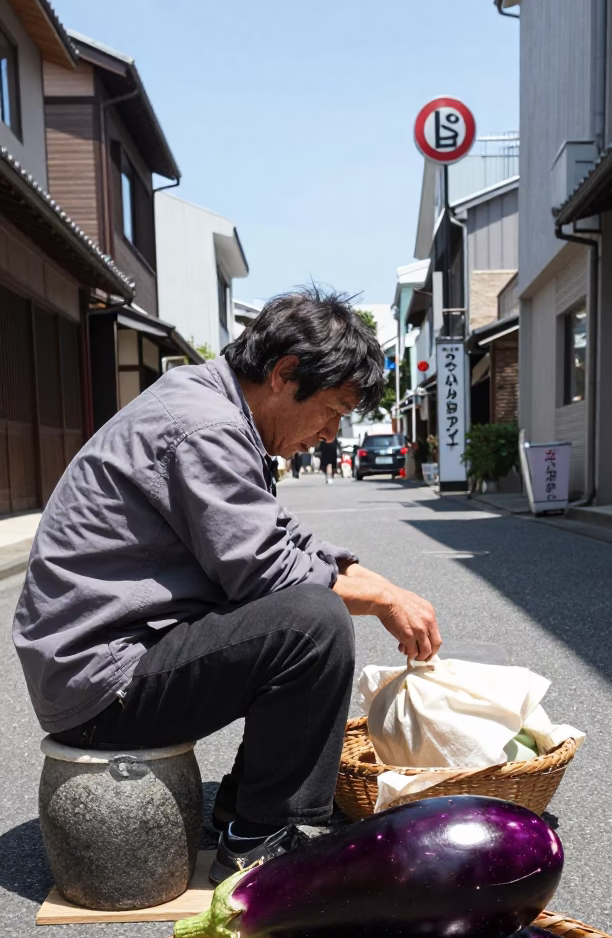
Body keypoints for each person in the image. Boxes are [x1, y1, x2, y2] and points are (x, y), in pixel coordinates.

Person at [13, 287, 442, 884]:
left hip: (108, 663)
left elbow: (289, 540)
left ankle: (242, 814)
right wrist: (386, 601)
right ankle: (261, 841)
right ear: (284, 373)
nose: (330, 432)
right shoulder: (204, 427)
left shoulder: (214, 410)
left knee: (310, 607)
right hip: (99, 686)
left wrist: (392, 590)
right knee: (310, 623)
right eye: (332, 410)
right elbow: (267, 571)